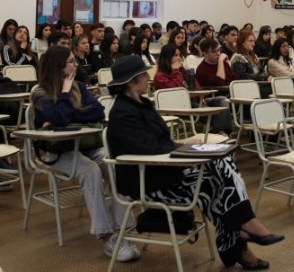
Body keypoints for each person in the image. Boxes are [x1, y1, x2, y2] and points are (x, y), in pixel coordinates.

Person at [106, 55, 283, 269]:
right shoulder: (122, 113)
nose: (147, 77)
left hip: (164, 171)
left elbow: (161, 143)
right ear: (130, 81)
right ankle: (241, 233)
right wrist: (183, 147)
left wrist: (184, 145)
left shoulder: (143, 104)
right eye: (143, 74)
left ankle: (239, 234)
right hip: (147, 182)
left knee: (221, 163)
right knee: (215, 180)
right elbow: (148, 149)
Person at [30, 46, 139, 262]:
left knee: (116, 166)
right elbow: (60, 118)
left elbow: (98, 110)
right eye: (71, 61)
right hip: (58, 152)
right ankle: (107, 237)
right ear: (58, 66)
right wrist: (64, 95)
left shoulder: (79, 86)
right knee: (90, 171)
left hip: (86, 146)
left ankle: (123, 230)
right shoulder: (40, 93)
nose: (76, 65)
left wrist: (69, 115)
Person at [154, 45, 231, 134]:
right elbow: (175, 90)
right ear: (167, 57)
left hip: (194, 101)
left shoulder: (182, 71)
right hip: (179, 106)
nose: (179, 58)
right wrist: (175, 71)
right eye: (175, 55)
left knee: (222, 100)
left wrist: (200, 98)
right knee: (217, 113)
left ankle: (222, 132)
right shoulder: (160, 76)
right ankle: (219, 133)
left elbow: (195, 84)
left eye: (179, 55)